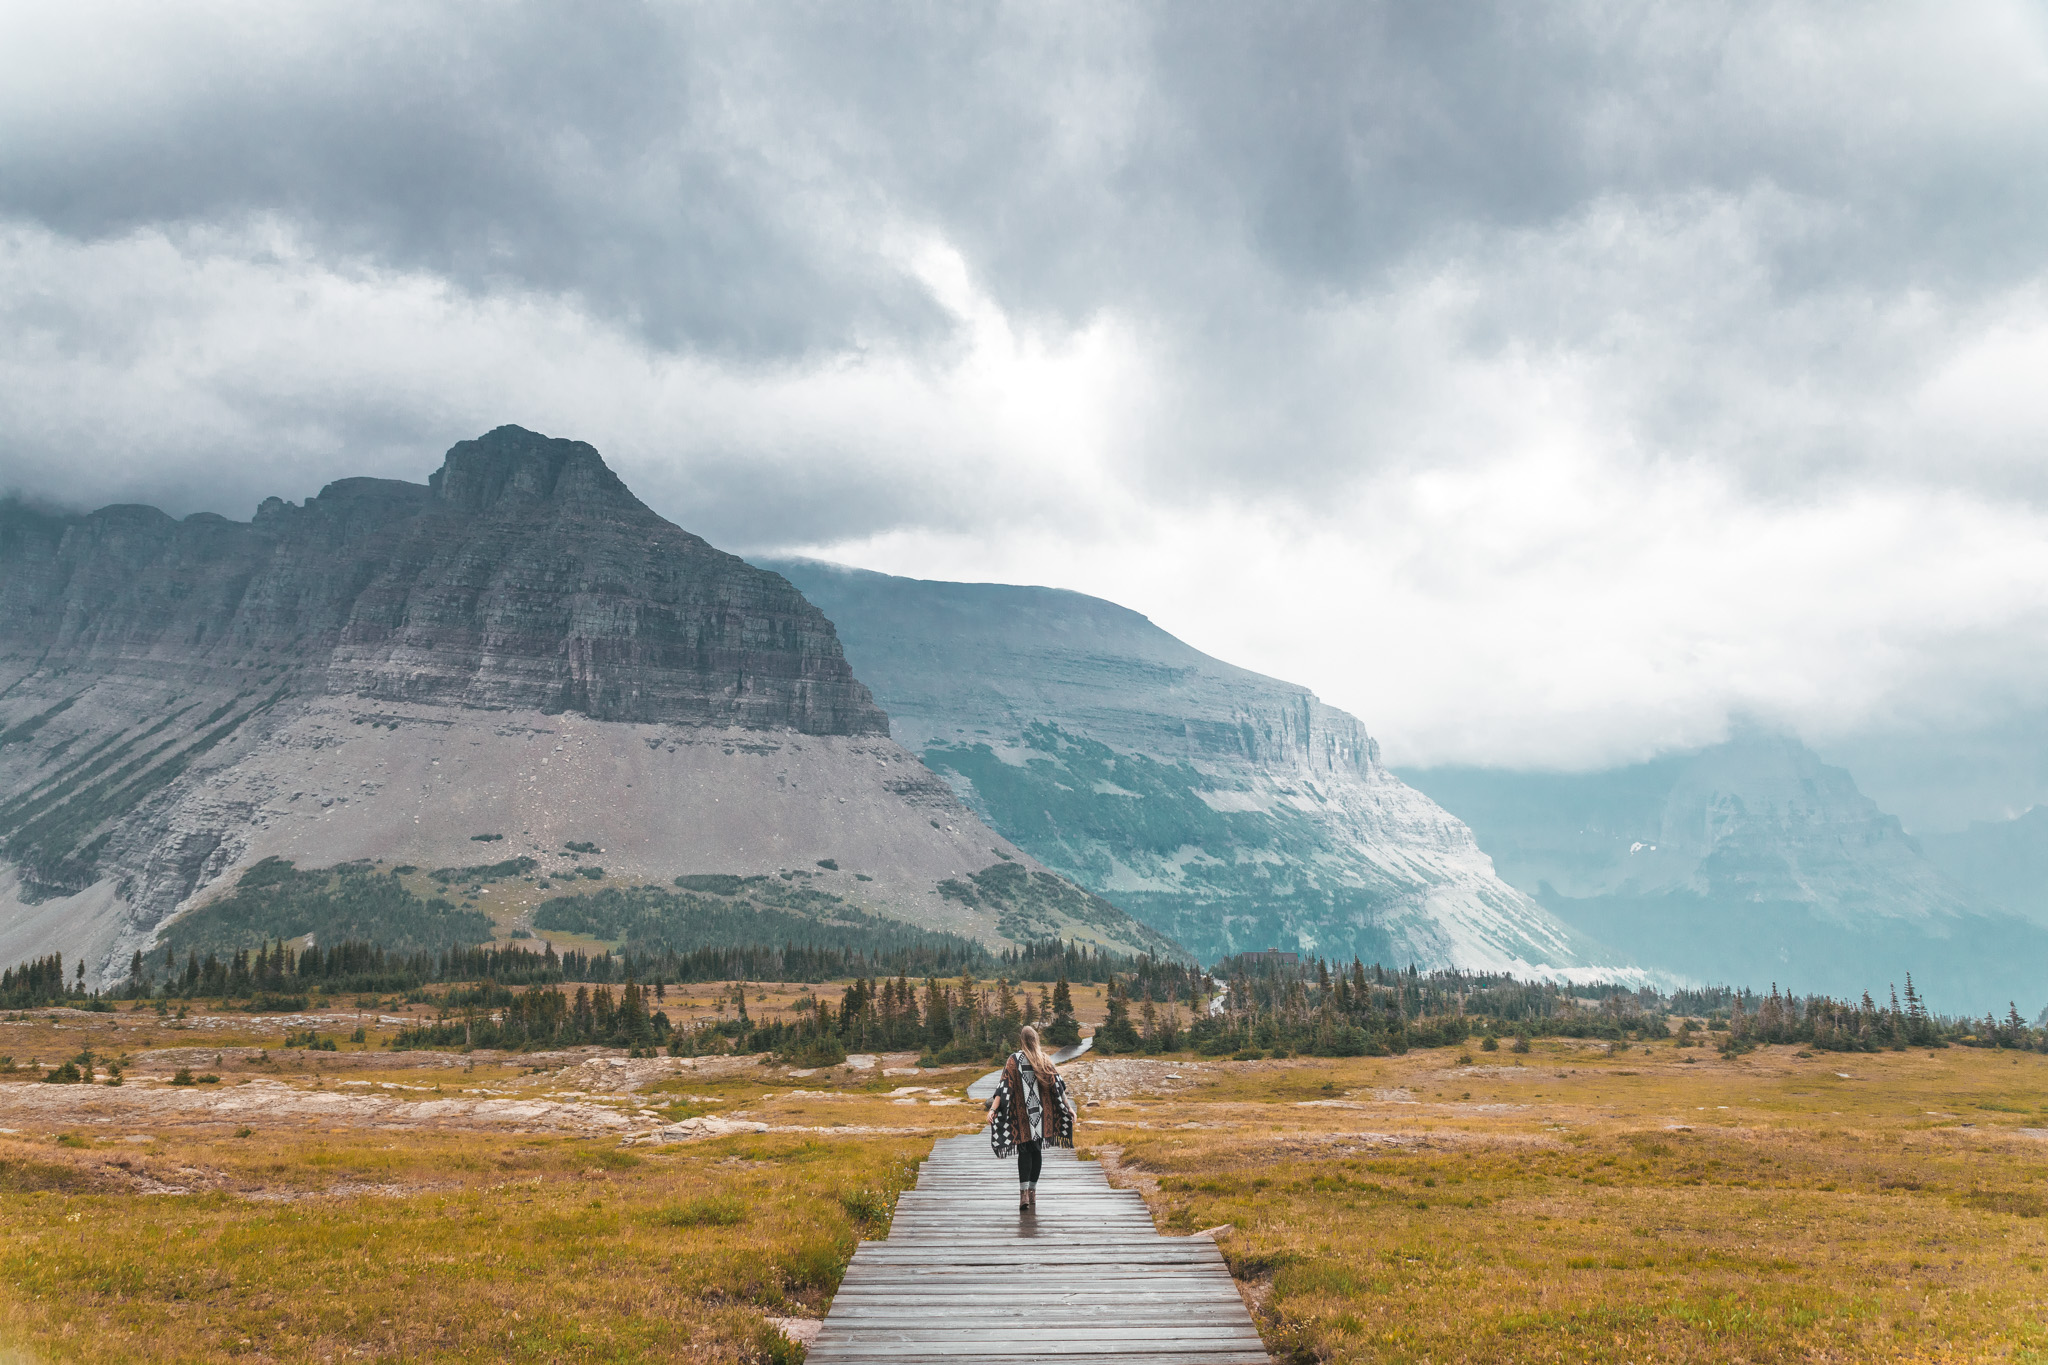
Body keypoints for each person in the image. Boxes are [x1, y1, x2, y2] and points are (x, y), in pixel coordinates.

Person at [985, 1024, 1075, 1213]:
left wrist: (993, 1109)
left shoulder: (1014, 1060)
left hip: (1023, 1118)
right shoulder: (1045, 1060)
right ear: (1036, 1039)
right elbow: (1059, 1088)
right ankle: (1032, 1192)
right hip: (1042, 1118)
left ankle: (1024, 1194)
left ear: (1022, 1040)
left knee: (1025, 1152)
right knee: (1037, 1152)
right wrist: (1068, 1108)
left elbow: (1003, 1088)